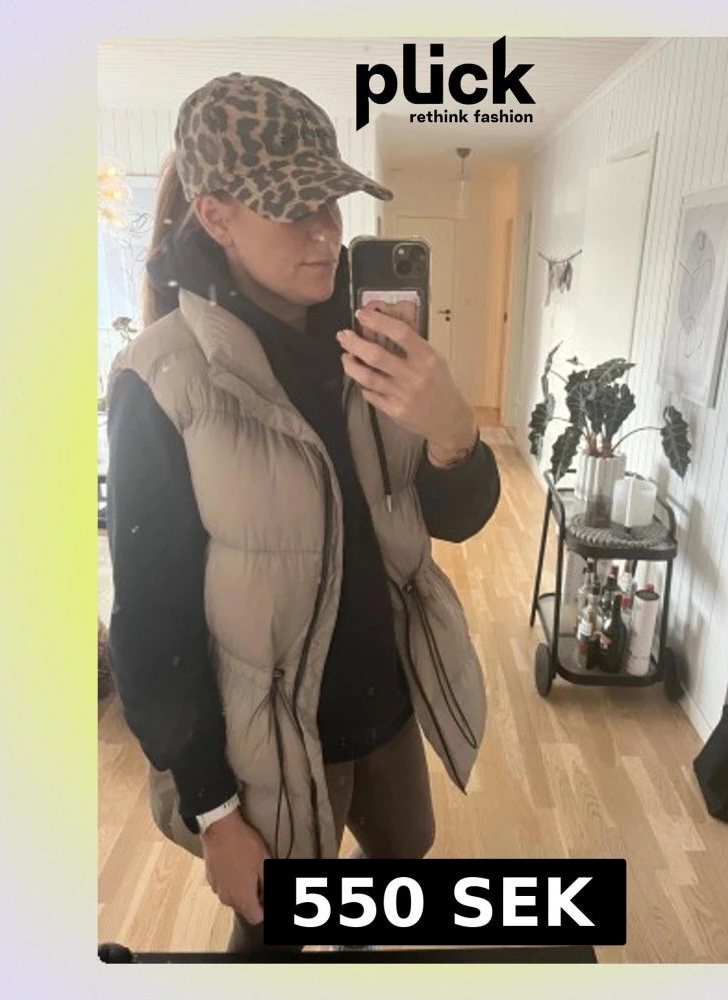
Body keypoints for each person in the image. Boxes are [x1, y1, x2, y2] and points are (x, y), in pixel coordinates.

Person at [105, 73, 500, 954]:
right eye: (295, 209)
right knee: (274, 936)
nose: (327, 231)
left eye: (331, 200)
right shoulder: (162, 380)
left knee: (404, 860)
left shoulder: (377, 338)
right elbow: (151, 628)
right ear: (216, 217)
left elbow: (455, 521)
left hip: (387, 703)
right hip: (269, 742)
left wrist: (453, 434)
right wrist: (214, 812)